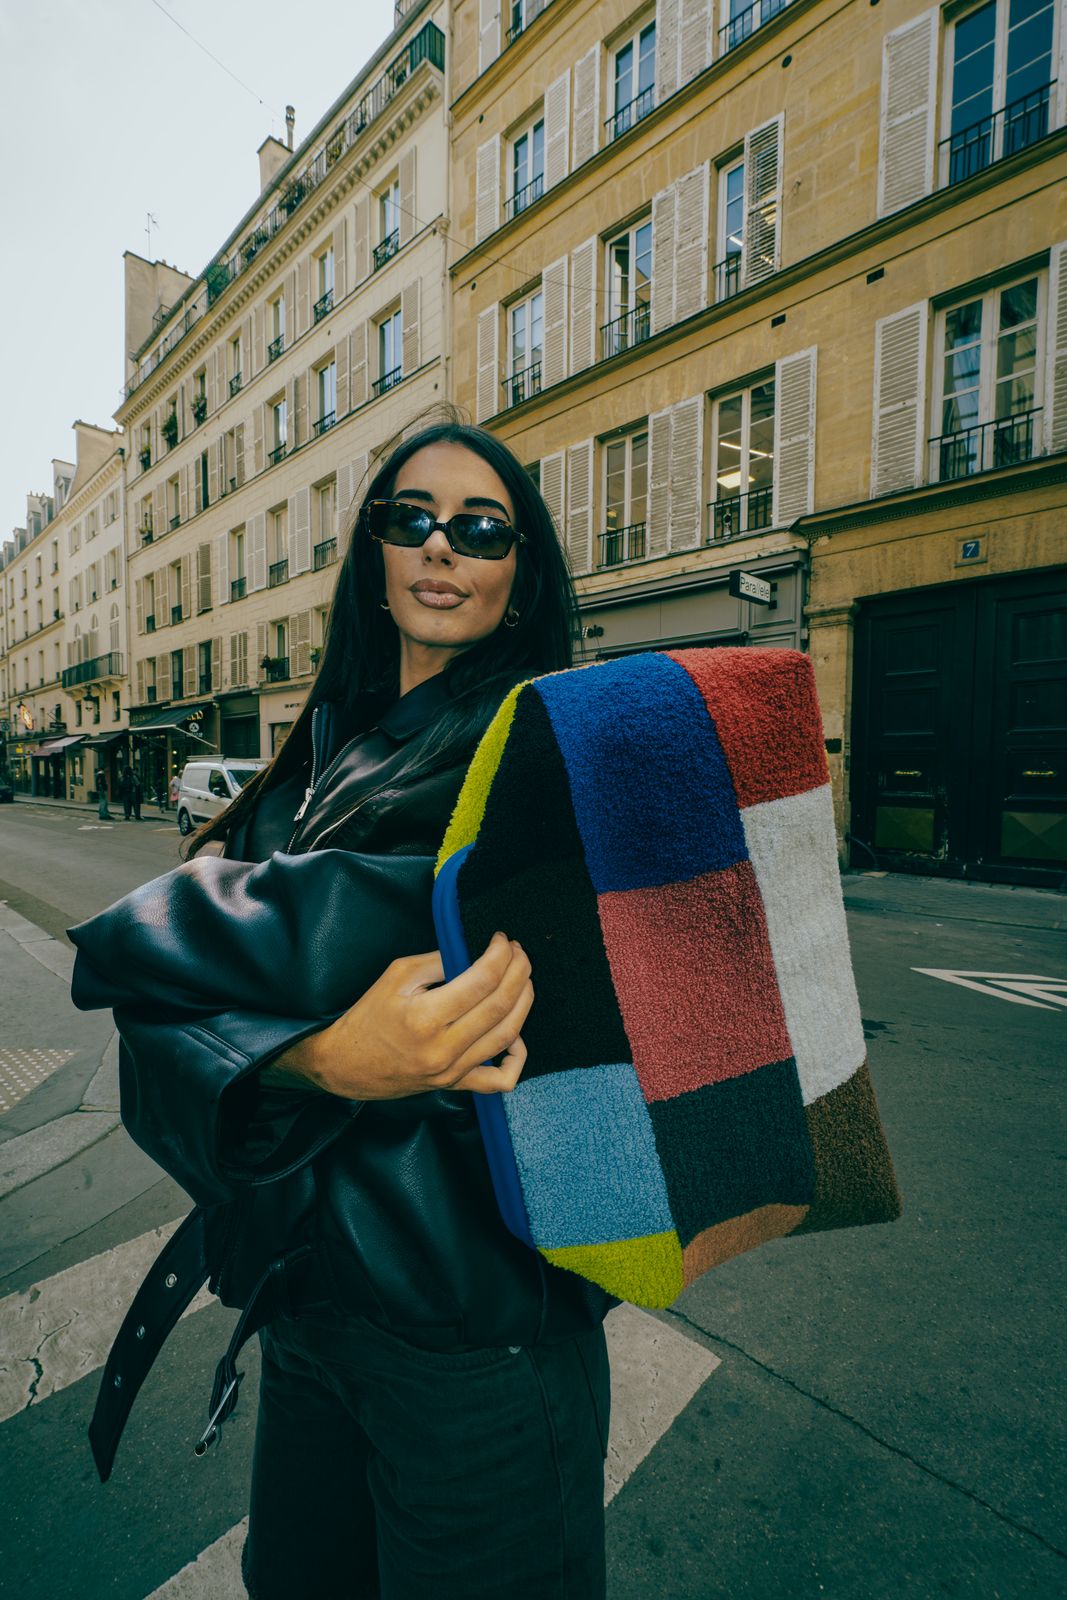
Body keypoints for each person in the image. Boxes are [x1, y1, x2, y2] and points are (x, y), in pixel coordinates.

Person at [87, 421, 612, 1599]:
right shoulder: (325, 754)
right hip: (311, 1309)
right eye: (408, 518)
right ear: (371, 551)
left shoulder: (540, 741)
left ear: (519, 570)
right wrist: (316, 1058)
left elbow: (203, 961)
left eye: (480, 528)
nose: (441, 547)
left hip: (477, 1335)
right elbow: (168, 1019)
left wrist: (172, 926)